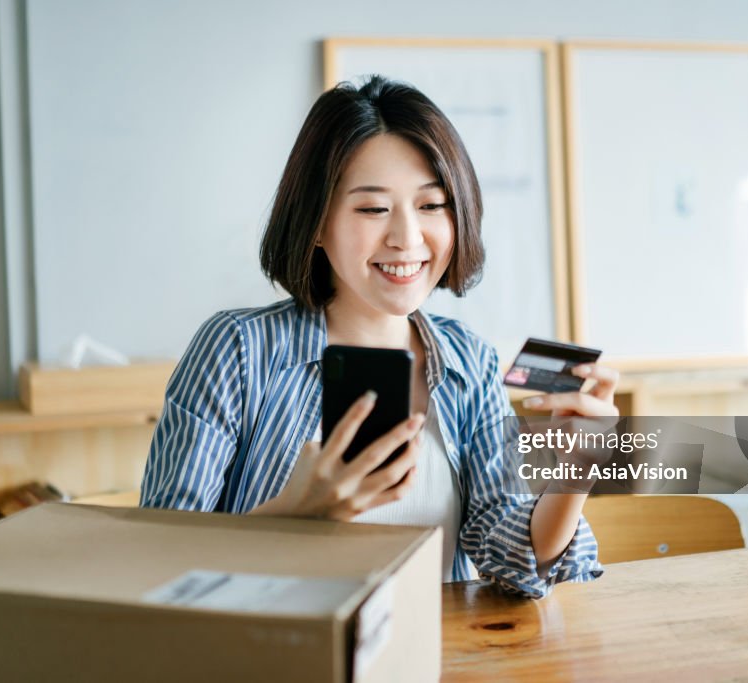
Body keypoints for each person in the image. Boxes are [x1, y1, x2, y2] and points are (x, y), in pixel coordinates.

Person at [140, 75, 619, 599]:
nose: (406, 238)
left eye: (432, 206)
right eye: (372, 208)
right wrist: (294, 514)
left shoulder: (469, 360)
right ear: (316, 223)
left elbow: (517, 562)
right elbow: (162, 561)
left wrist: (575, 473)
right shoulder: (238, 349)